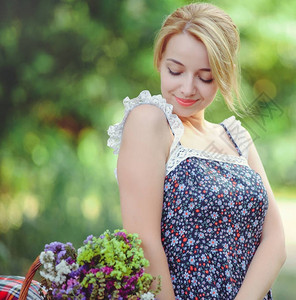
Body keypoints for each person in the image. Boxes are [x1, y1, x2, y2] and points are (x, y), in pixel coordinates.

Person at [107, 3, 286, 299]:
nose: (188, 88)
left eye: (205, 77)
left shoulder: (235, 136)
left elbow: (275, 240)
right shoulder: (150, 122)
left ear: (224, 74)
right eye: (175, 71)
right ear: (159, 61)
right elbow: (143, 241)